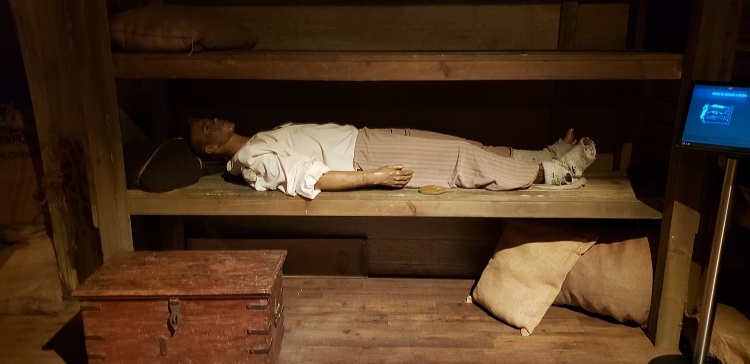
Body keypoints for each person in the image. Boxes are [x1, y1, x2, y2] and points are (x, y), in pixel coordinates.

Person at [188, 118, 596, 199]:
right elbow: (306, 178)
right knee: (460, 158)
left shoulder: (259, 137)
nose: (212, 122)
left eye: (207, 119)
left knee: (462, 142)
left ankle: (542, 154)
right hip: (363, 156)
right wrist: (372, 177)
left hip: (364, 138)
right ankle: (552, 172)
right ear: (210, 149)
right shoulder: (252, 159)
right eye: (205, 129)